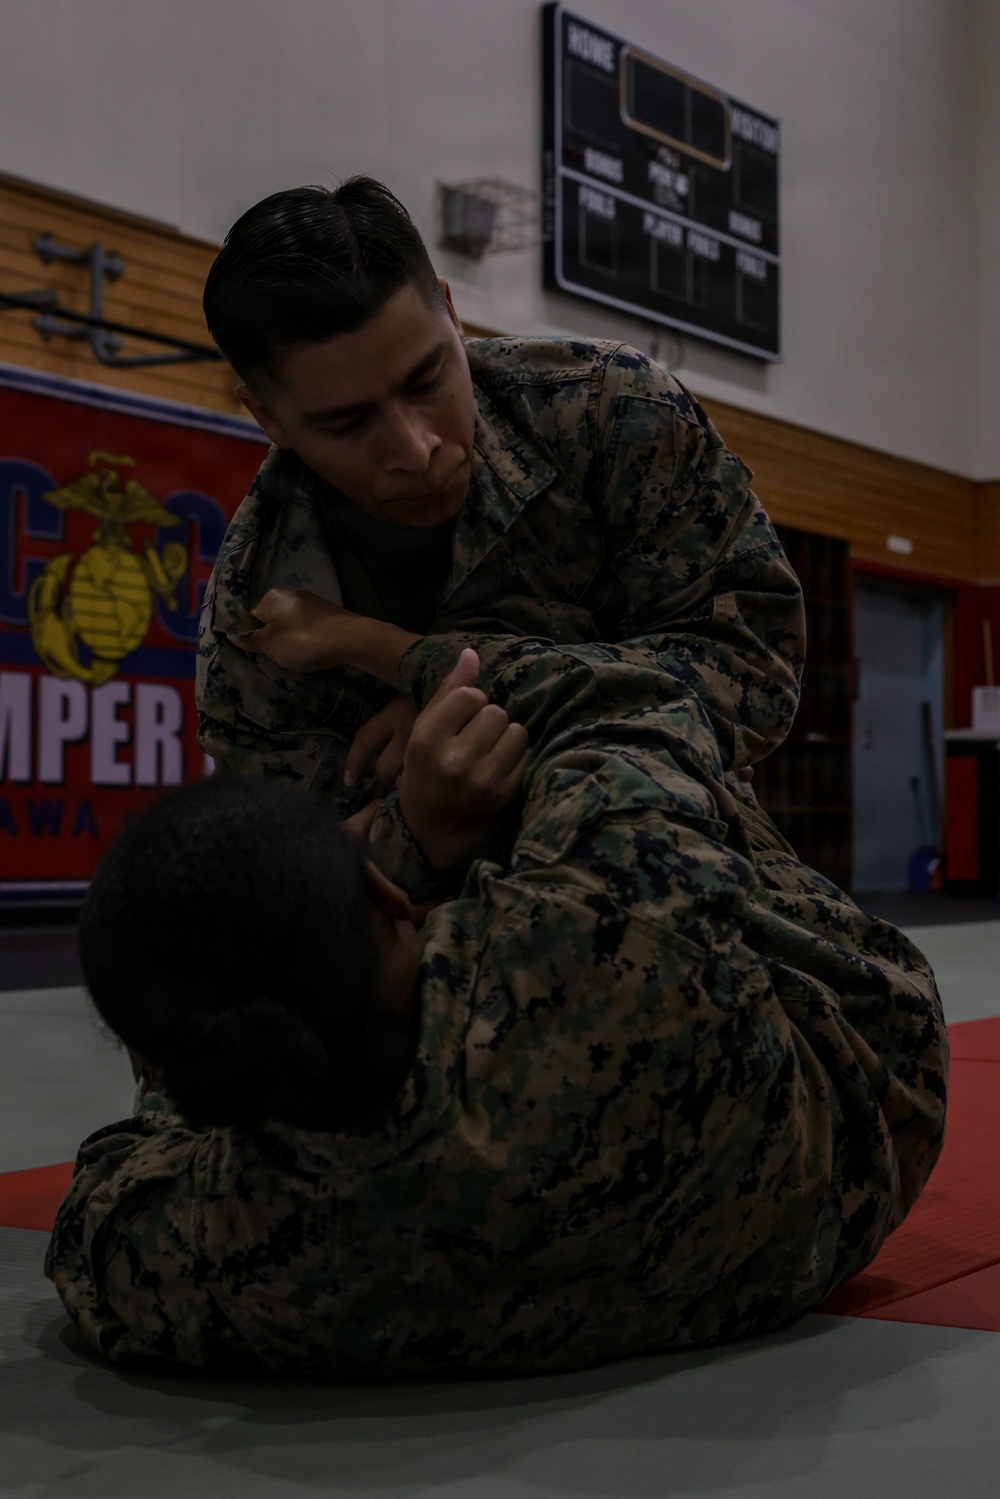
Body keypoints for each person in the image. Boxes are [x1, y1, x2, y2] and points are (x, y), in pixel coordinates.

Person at [45, 641, 947, 1376]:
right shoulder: (602, 925)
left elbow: (102, 1202)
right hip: (852, 1148)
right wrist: (417, 680)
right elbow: (639, 701)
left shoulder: (217, 1244)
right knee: (684, 842)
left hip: (727, 1258)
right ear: (388, 895)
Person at [195, 176, 804, 887]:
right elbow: (307, 888)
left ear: (453, 316)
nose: (416, 448)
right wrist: (420, 823)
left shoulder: (610, 416)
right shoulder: (259, 608)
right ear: (267, 419)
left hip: (676, 870)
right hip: (439, 939)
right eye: (347, 424)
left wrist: (421, 667)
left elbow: (757, 671)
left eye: (428, 380)